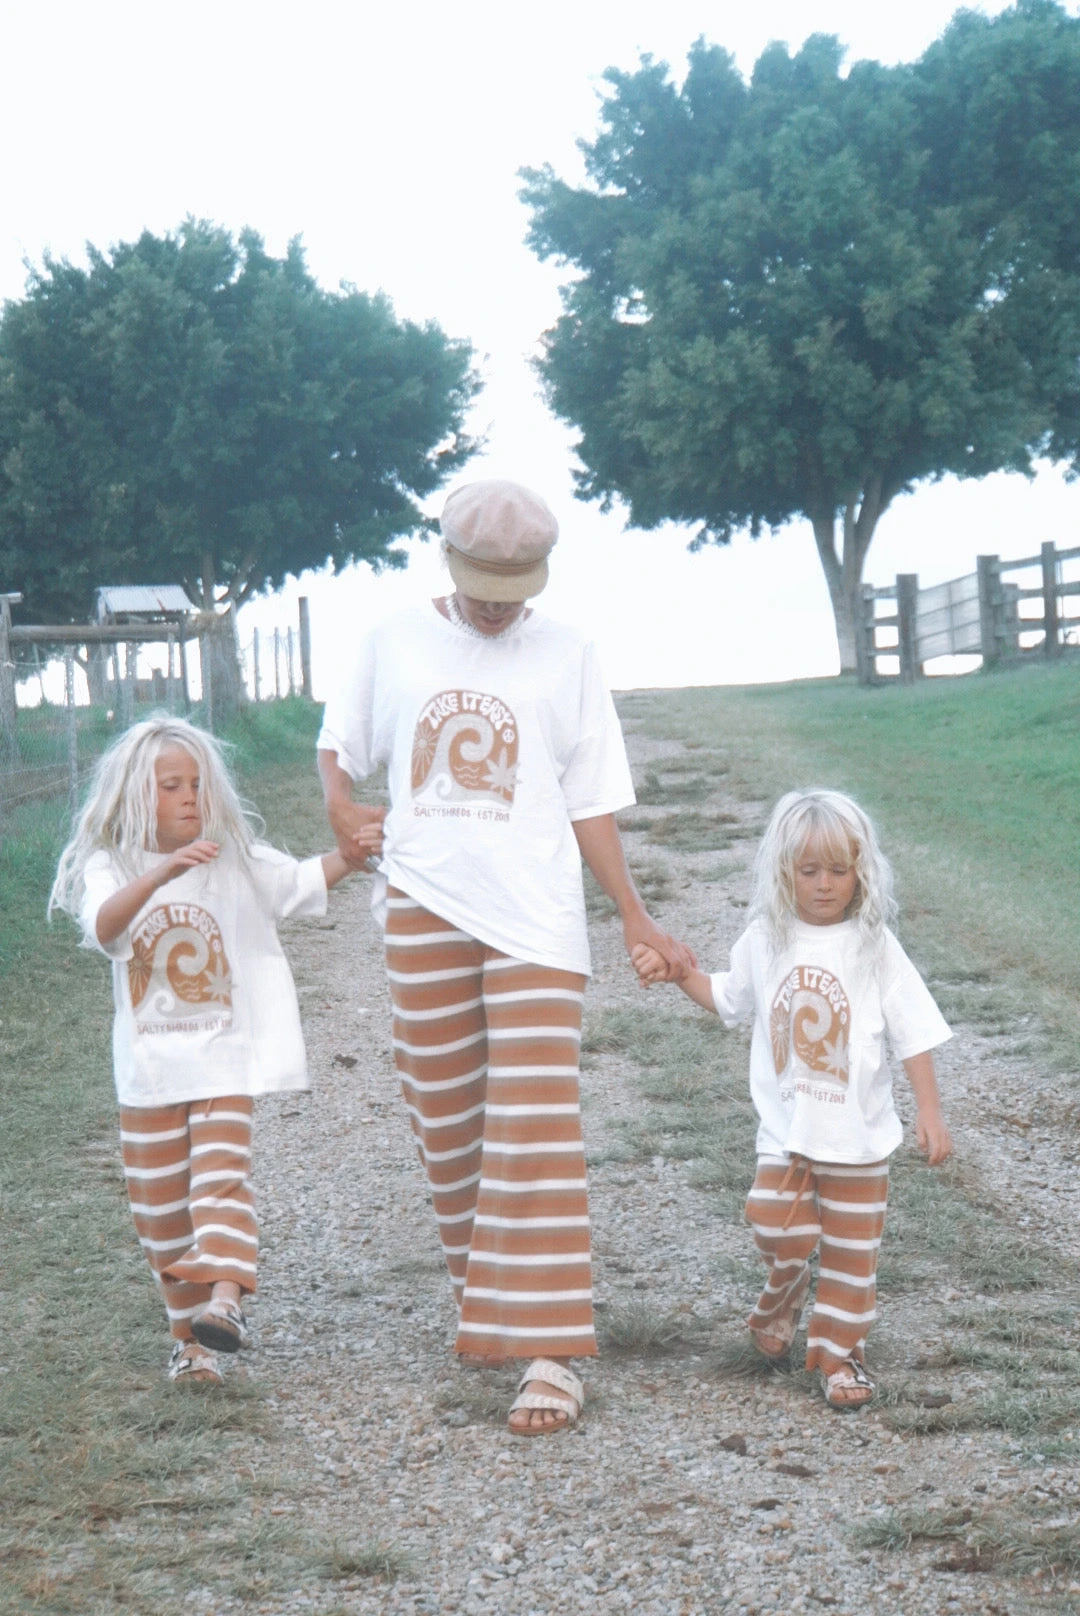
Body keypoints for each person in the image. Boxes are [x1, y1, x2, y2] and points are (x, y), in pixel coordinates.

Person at [317, 477, 693, 1435]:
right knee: (447, 1121)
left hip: (535, 920)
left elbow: (590, 799)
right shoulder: (392, 638)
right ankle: (489, 1305)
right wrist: (339, 806)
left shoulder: (568, 653)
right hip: (424, 902)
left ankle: (550, 1350)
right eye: (482, 586)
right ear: (448, 560)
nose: (495, 607)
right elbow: (340, 748)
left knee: (535, 1123)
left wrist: (634, 917)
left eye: (512, 590)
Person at [49, 717, 353, 1386]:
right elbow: (104, 928)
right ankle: (191, 1344)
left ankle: (225, 1301)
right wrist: (160, 874)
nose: (189, 796)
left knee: (220, 1182)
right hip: (149, 1073)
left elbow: (299, 884)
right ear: (136, 795)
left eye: (196, 784)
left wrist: (352, 854)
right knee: (160, 1214)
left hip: (223, 1061)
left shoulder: (229, 857)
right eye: (170, 786)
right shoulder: (110, 866)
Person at [632, 788, 952, 1410]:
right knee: (775, 1225)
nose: (825, 885)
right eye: (809, 871)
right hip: (786, 1133)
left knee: (852, 1261)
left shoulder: (875, 947)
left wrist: (930, 1111)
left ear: (862, 873)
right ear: (783, 872)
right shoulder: (766, 939)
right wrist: (680, 974)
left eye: (839, 870)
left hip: (859, 1140)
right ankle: (785, 1293)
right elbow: (727, 999)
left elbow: (915, 1032)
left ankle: (840, 1357)